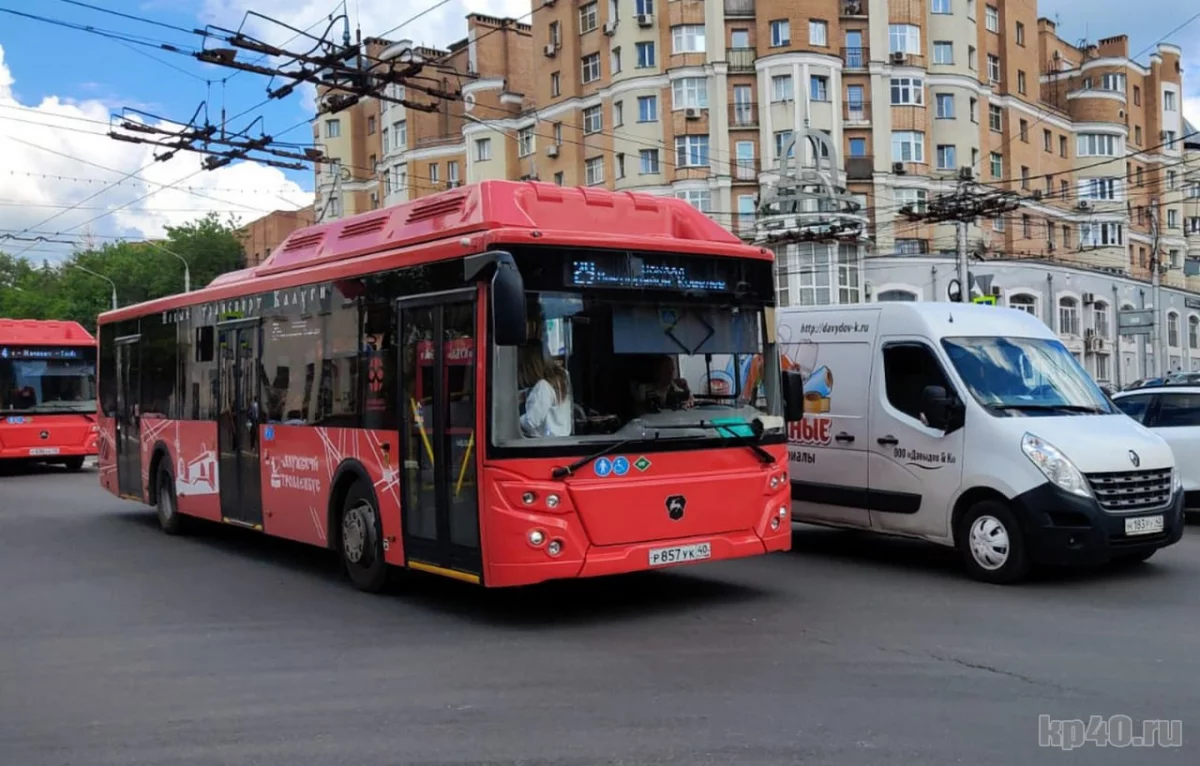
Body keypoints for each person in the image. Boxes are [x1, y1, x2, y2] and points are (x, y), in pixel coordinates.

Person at [518, 344, 573, 437]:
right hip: (562, 439)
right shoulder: (562, 377)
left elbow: (531, 422)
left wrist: (513, 422)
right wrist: (525, 394)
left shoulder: (543, 386)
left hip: (545, 440)